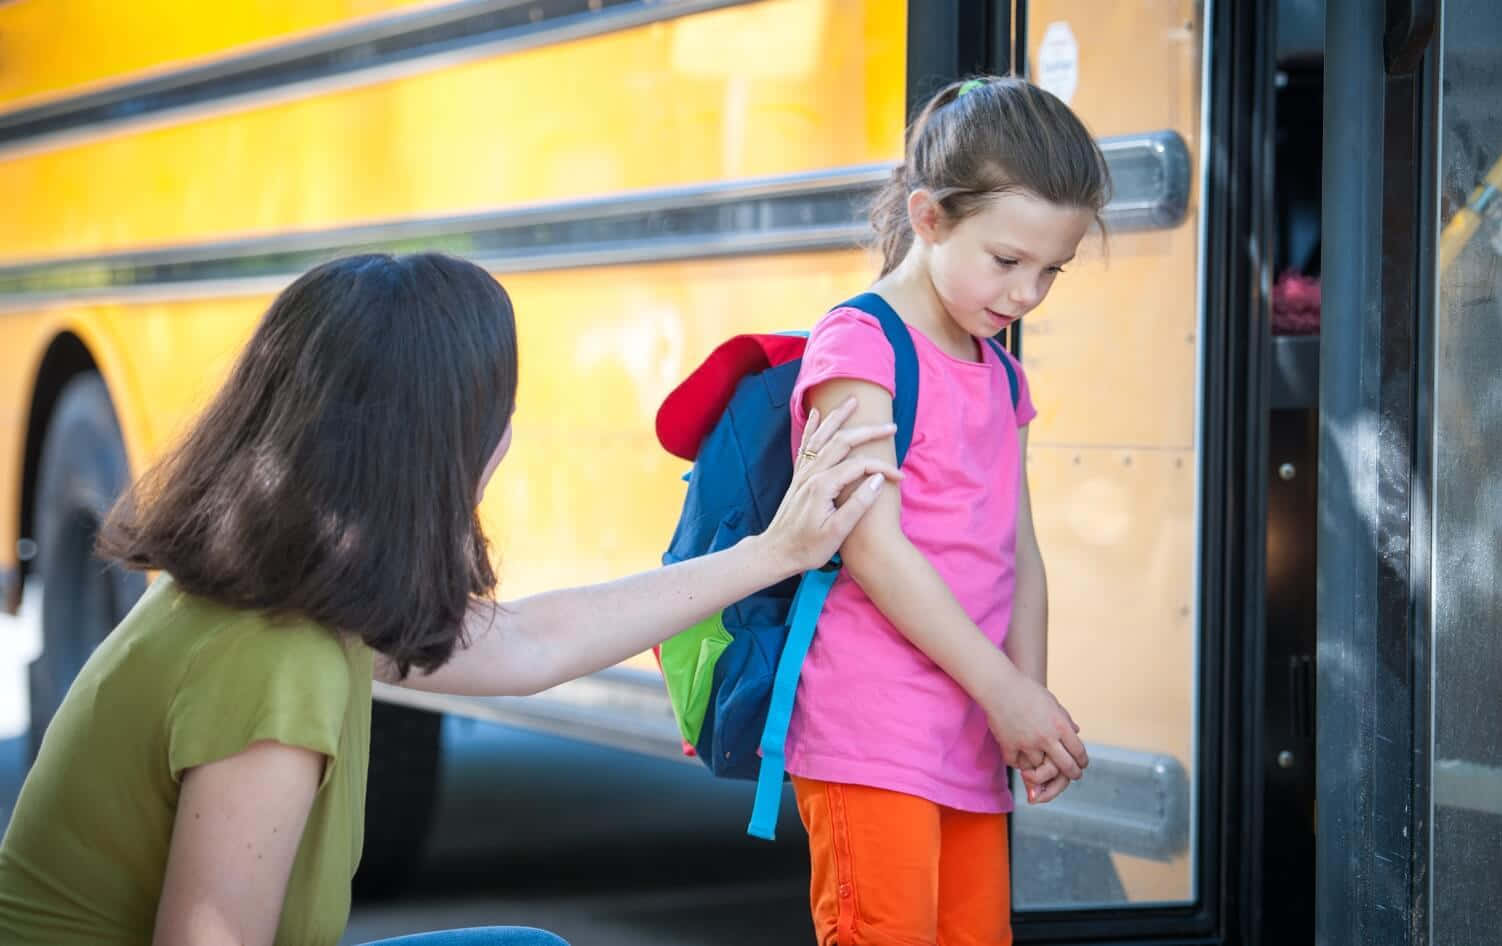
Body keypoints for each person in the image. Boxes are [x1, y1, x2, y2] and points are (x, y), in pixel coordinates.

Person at [0, 252, 901, 946]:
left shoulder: (289, 584)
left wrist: (770, 554)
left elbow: (531, 644)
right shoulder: (275, 662)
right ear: (446, 448)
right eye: (494, 413)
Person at [782, 76, 1110, 945]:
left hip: (971, 730)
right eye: (1008, 261)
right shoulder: (861, 345)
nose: (1028, 294)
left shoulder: (1002, 373)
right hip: (874, 731)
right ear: (927, 218)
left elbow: (1019, 550)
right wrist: (1004, 691)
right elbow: (871, 549)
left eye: (1052, 271)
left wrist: (1026, 703)